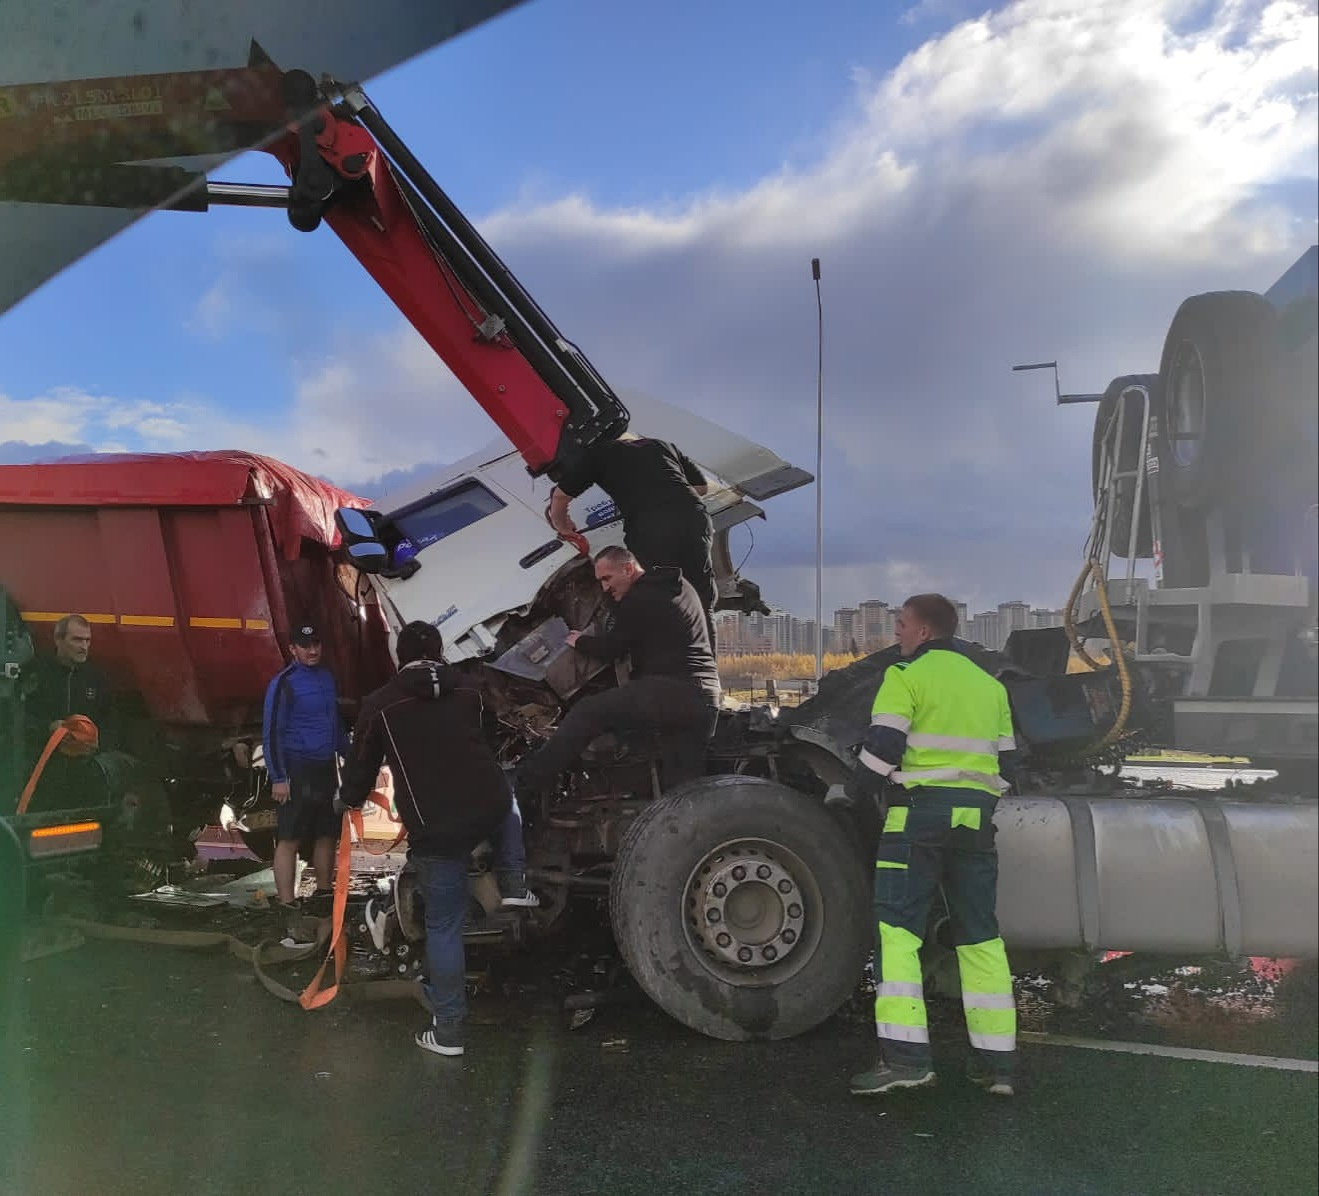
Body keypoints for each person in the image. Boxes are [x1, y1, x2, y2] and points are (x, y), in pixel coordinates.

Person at [846, 593, 1019, 1099]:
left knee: (898, 933)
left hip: (919, 815)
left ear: (924, 631)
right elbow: (1008, 766)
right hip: (976, 819)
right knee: (980, 936)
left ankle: (906, 1061)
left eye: (901, 625)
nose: (896, 634)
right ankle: (996, 1066)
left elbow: (882, 750)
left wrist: (850, 794)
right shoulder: (990, 687)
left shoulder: (905, 678)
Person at [337, 620, 531, 1058]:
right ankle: (515, 884)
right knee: (507, 794)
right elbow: (490, 740)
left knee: (444, 926)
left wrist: (346, 800)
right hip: (485, 808)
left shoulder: (381, 704)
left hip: (436, 825)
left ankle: (448, 1033)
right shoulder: (469, 689)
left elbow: (361, 766)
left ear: (399, 657)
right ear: (441, 652)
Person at [516, 546, 721, 795]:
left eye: (607, 578)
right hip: (705, 699)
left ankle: (524, 783)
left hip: (674, 691)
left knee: (588, 711)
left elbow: (611, 649)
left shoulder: (641, 597)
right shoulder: (676, 585)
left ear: (628, 568)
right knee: (683, 791)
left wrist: (578, 640)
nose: (604, 588)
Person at [548, 433, 717, 628]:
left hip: (650, 527)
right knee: (701, 598)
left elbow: (560, 498)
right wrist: (668, 495)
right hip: (693, 518)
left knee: (661, 597)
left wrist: (563, 526)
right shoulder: (661, 444)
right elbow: (702, 488)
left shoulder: (597, 454)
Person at [262, 622, 347, 938]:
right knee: (290, 837)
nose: (312, 651)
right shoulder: (284, 683)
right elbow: (272, 733)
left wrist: (350, 755)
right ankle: (287, 903)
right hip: (296, 769)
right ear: (292, 649)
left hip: (325, 767)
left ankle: (324, 894)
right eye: (305, 646)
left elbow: (334, 723)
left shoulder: (326, 678)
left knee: (327, 833)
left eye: (316, 645)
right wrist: (278, 777)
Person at [23, 613, 115, 758]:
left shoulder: (95, 677)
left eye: (87, 640)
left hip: (83, 763)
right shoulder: (37, 672)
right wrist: (48, 728)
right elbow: (18, 716)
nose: (84, 647)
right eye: (77, 640)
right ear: (58, 640)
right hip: (42, 758)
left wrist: (97, 742)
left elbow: (110, 720)